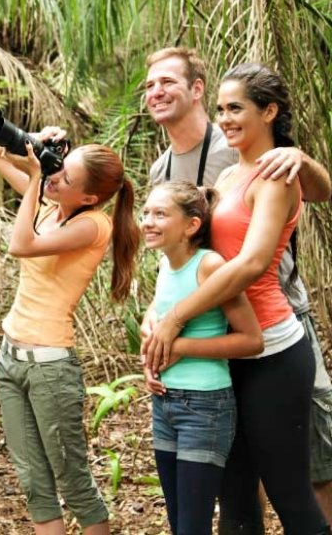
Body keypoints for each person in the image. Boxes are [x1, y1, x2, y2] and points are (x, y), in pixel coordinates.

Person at [143, 46, 332, 524]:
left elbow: (249, 264)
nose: (225, 119)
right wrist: (156, 318)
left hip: (271, 348)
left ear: (268, 112)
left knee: (289, 493)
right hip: (225, 354)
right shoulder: (228, 174)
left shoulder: (276, 175)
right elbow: (191, 255)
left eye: (237, 108)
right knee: (236, 499)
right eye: (222, 108)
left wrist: (177, 319)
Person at [0, 133, 139, 535]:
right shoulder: (52, 204)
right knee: (35, 484)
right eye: (58, 168)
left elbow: (21, 244)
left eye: (65, 178)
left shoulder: (93, 225)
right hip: (10, 360)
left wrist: (35, 179)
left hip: (50, 368)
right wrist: (35, 142)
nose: (55, 179)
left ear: (88, 197)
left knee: (74, 483)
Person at [141, 181, 262, 534]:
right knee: (179, 523)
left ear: (191, 225)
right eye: (146, 212)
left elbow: (251, 340)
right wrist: (150, 358)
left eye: (160, 214)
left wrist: (177, 348)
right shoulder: (165, 263)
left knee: (193, 527)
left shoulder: (209, 265)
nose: (148, 221)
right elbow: (158, 319)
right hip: (164, 404)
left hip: (204, 408)